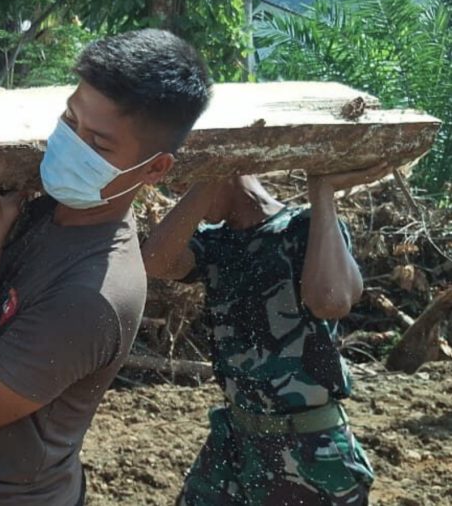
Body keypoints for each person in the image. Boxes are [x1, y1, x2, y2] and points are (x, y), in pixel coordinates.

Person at [0, 29, 212, 506]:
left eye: (97, 142)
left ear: (155, 169)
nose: (72, 145)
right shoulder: (45, 215)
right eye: (69, 119)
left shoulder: (93, 295)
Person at [142, 169, 388, 505]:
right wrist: (209, 175)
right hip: (235, 439)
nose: (180, 191)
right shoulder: (216, 241)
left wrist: (322, 191)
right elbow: (154, 262)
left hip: (308, 446)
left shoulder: (303, 226)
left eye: (186, 179)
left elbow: (331, 301)